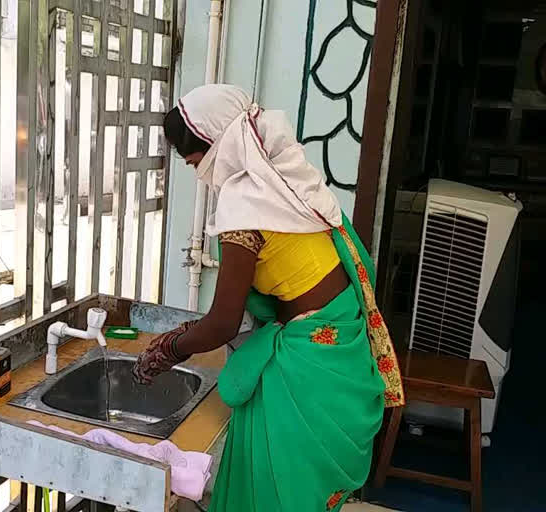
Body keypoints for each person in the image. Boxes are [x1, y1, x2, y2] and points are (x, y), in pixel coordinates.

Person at [132, 84, 405, 511]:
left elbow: (223, 322)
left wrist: (169, 348)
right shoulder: (291, 178)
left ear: (219, 144)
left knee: (277, 490)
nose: (198, 172)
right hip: (341, 344)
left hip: (306, 364)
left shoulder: (244, 203)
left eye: (196, 161)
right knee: (307, 494)